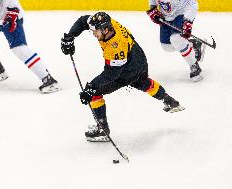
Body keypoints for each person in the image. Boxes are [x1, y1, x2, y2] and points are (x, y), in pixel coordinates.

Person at [61, 12, 184, 142]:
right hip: (138, 56)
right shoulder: (108, 23)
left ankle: (102, 129)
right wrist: (70, 37)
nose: (93, 34)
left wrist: (91, 88)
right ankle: (169, 100)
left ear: (105, 30)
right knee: (143, 82)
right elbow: (83, 20)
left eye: (95, 31)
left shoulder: (116, 48)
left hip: (127, 68)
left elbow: (112, 74)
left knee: (94, 92)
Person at [146, 0, 206, 82]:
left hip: (181, 14)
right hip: (166, 16)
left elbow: (193, 4)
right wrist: (153, 8)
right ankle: (193, 45)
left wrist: (188, 21)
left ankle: (194, 65)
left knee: (176, 39)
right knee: (166, 47)